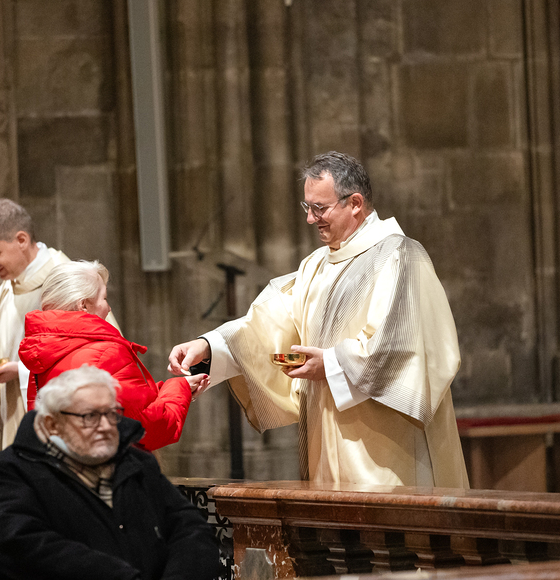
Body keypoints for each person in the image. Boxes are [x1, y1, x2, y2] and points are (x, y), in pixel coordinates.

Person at [169, 151, 469, 488]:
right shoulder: (316, 266)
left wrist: (330, 364)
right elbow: (269, 324)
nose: (311, 219)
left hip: (385, 456)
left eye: (320, 208)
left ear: (355, 203)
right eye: (307, 207)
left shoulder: (398, 256)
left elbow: (401, 347)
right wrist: (208, 346)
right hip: (325, 447)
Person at [0, 365, 221, 580]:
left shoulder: (136, 462)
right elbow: (21, 545)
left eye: (111, 414)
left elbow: (190, 528)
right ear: (53, 424)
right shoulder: (10, 471)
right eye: (90, 417)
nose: (106, 426)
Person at [0, 198, 119, 448]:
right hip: (20, 428)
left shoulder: (69, 282)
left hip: (65, 431)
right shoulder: (6, 290)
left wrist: (20, 371)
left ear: (21, 240)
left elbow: (100, 355)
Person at [20, 260, 209, 451]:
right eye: (104, 298)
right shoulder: (107, 352)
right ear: (83, 305)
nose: (109, 308)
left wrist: (165, 390)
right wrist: (180, 387)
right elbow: (147, 429)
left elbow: (127, 406)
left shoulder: (46, 350)